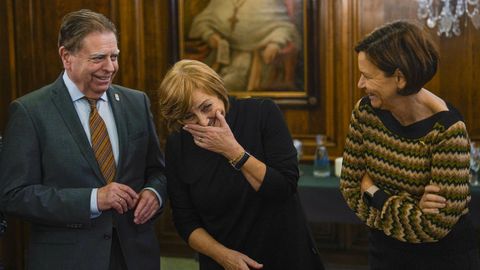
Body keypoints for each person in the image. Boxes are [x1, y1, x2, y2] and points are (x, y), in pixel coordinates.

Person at [0, 9, 167, 270]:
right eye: (99, 58)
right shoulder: (30, 111)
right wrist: (93, 199)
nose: (110, 67)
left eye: (114, 57)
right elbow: (14, 195)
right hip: (68, 260)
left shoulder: (137, 102)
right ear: (66, 56)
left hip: (135, 256)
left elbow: (157, 170)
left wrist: (154, 193)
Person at [340, 20, 480, 270]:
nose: (360, 84)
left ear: (400, 78)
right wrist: (414, 207)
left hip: (443, 259)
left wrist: (375, 194)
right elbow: (350, 188)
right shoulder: (365, 113)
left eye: (368, 76)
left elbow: (434, 226)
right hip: (384, 254)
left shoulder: (448, 130)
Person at [159, 59, 324, 270]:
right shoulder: (178, 144)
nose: (202, 121)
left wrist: (232, 151)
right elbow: (185, 220)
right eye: (188, 116)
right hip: (221, 261)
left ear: (219, 91)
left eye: (206, 107)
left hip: (283, 254)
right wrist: (224, 256)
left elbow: (284, 188)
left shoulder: (262, 113)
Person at [187, 0, 302, 91]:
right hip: (222, 56)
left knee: (229, 85)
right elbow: (201, 21)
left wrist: (275, 43)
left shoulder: (270, 1)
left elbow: (286, 27)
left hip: (256, 59)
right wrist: (210, 35)